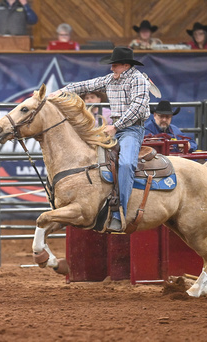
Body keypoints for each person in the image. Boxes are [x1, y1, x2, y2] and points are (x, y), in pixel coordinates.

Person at [51, 47, 150, 232]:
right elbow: (86, 85)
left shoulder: (139, 80)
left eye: (115, 65)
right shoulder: (110, 80)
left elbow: (137, 107)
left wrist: (116, 126)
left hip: (131, 129)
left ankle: (119, 211)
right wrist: (60, 93)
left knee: (127, 163)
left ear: (126, 65)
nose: (112, 68)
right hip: (115, 128)